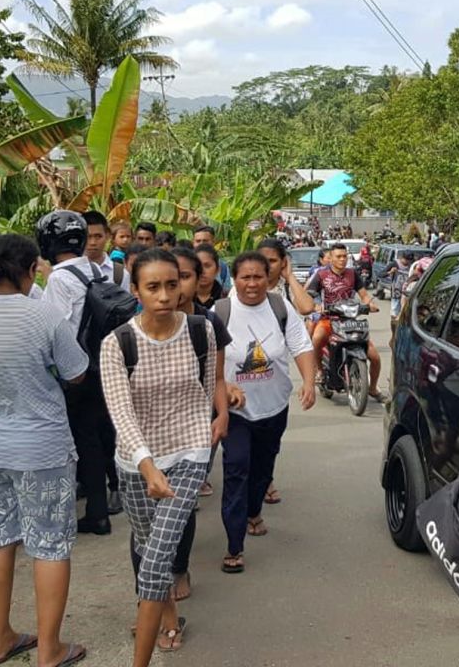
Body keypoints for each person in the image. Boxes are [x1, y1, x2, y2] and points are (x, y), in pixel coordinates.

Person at [0, 234, 88, 667]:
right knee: (49, 544)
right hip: (40, 446)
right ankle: (50, 650)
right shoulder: (43, 315)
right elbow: (76, 372)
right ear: (30, 271)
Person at [100, 249, 219, 664]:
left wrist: (202, 440)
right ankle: (166, 613)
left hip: (189, 452)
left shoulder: (202, 331)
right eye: (153, 287)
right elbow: (121, 412)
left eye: (173, 284)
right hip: (135, 464)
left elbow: (204, 394)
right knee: (149, 544)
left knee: (153, 566)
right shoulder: (117, 344)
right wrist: (147, 464)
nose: (166, 295)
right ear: (136, 290)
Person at [218, 252, 316, 573]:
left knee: (262, 467)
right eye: (245, 277)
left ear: (268, 277)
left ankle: (253, 511)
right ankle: (234, 545)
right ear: (234, 279)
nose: (251, 283)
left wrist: (309, 383)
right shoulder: (220, 312)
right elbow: (205, 359)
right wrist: (223, 390)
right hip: (236, 411)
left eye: (258, 276)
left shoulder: (279, 307)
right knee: (236, 469)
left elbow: (301, 346)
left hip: (274, 406)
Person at [166, 246, 239, 598]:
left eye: (184, 277)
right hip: (151, 430)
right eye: (167, 279)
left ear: (199, 280)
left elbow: (217, 377)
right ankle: (151, 583)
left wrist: (222, 413)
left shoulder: (209, 324)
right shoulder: (134, 326)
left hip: (196, 426)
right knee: (152, 508)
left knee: (182, 501)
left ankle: (178, 569)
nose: (175, 287)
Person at [41, 209, 117, 535]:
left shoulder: (59, 278)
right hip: (102, 365)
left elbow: (54, 327)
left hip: (77, 371)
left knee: (83, 441)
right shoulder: (94, 270)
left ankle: (96, 512)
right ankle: (100, 505)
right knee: (98, 436)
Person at [305, 243, 383, 400]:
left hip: (351, 320)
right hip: (328, 319)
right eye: (338, 256)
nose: (342, 259)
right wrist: (316, 305)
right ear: (331, 258)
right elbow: (309, 293)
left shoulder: (353, 274)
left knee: (374, 357)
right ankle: (320, 371)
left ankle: (373, 388)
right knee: (317, 338)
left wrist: (370, 304)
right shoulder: (321, 275)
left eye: (344, 256)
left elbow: (364, 295)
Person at [257, 237, 314, 318]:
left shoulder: (287, 288)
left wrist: (290, 276)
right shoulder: (246, 287)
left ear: (283, 262)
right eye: (262, 261)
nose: (267, 266)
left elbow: (307, 308)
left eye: (272, 261)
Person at [85, 210, 130, 293]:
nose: (93, 242)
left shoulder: (120, 274)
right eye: (88, 237)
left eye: (98, 236)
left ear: (108, 235)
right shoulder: (67, 273)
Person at [193, 226, 231, 290]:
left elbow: (226, 293)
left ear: (213, 242)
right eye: (198, 241)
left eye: (205, 241)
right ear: (193, 242)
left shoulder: (223, 268)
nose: (201, 244)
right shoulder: (186, 265)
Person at [194, 243, 227, 310]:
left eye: (207, 266)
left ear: (218, 269)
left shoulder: (226, 298)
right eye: (198, 266)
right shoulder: (183, 298)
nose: (202, 271)